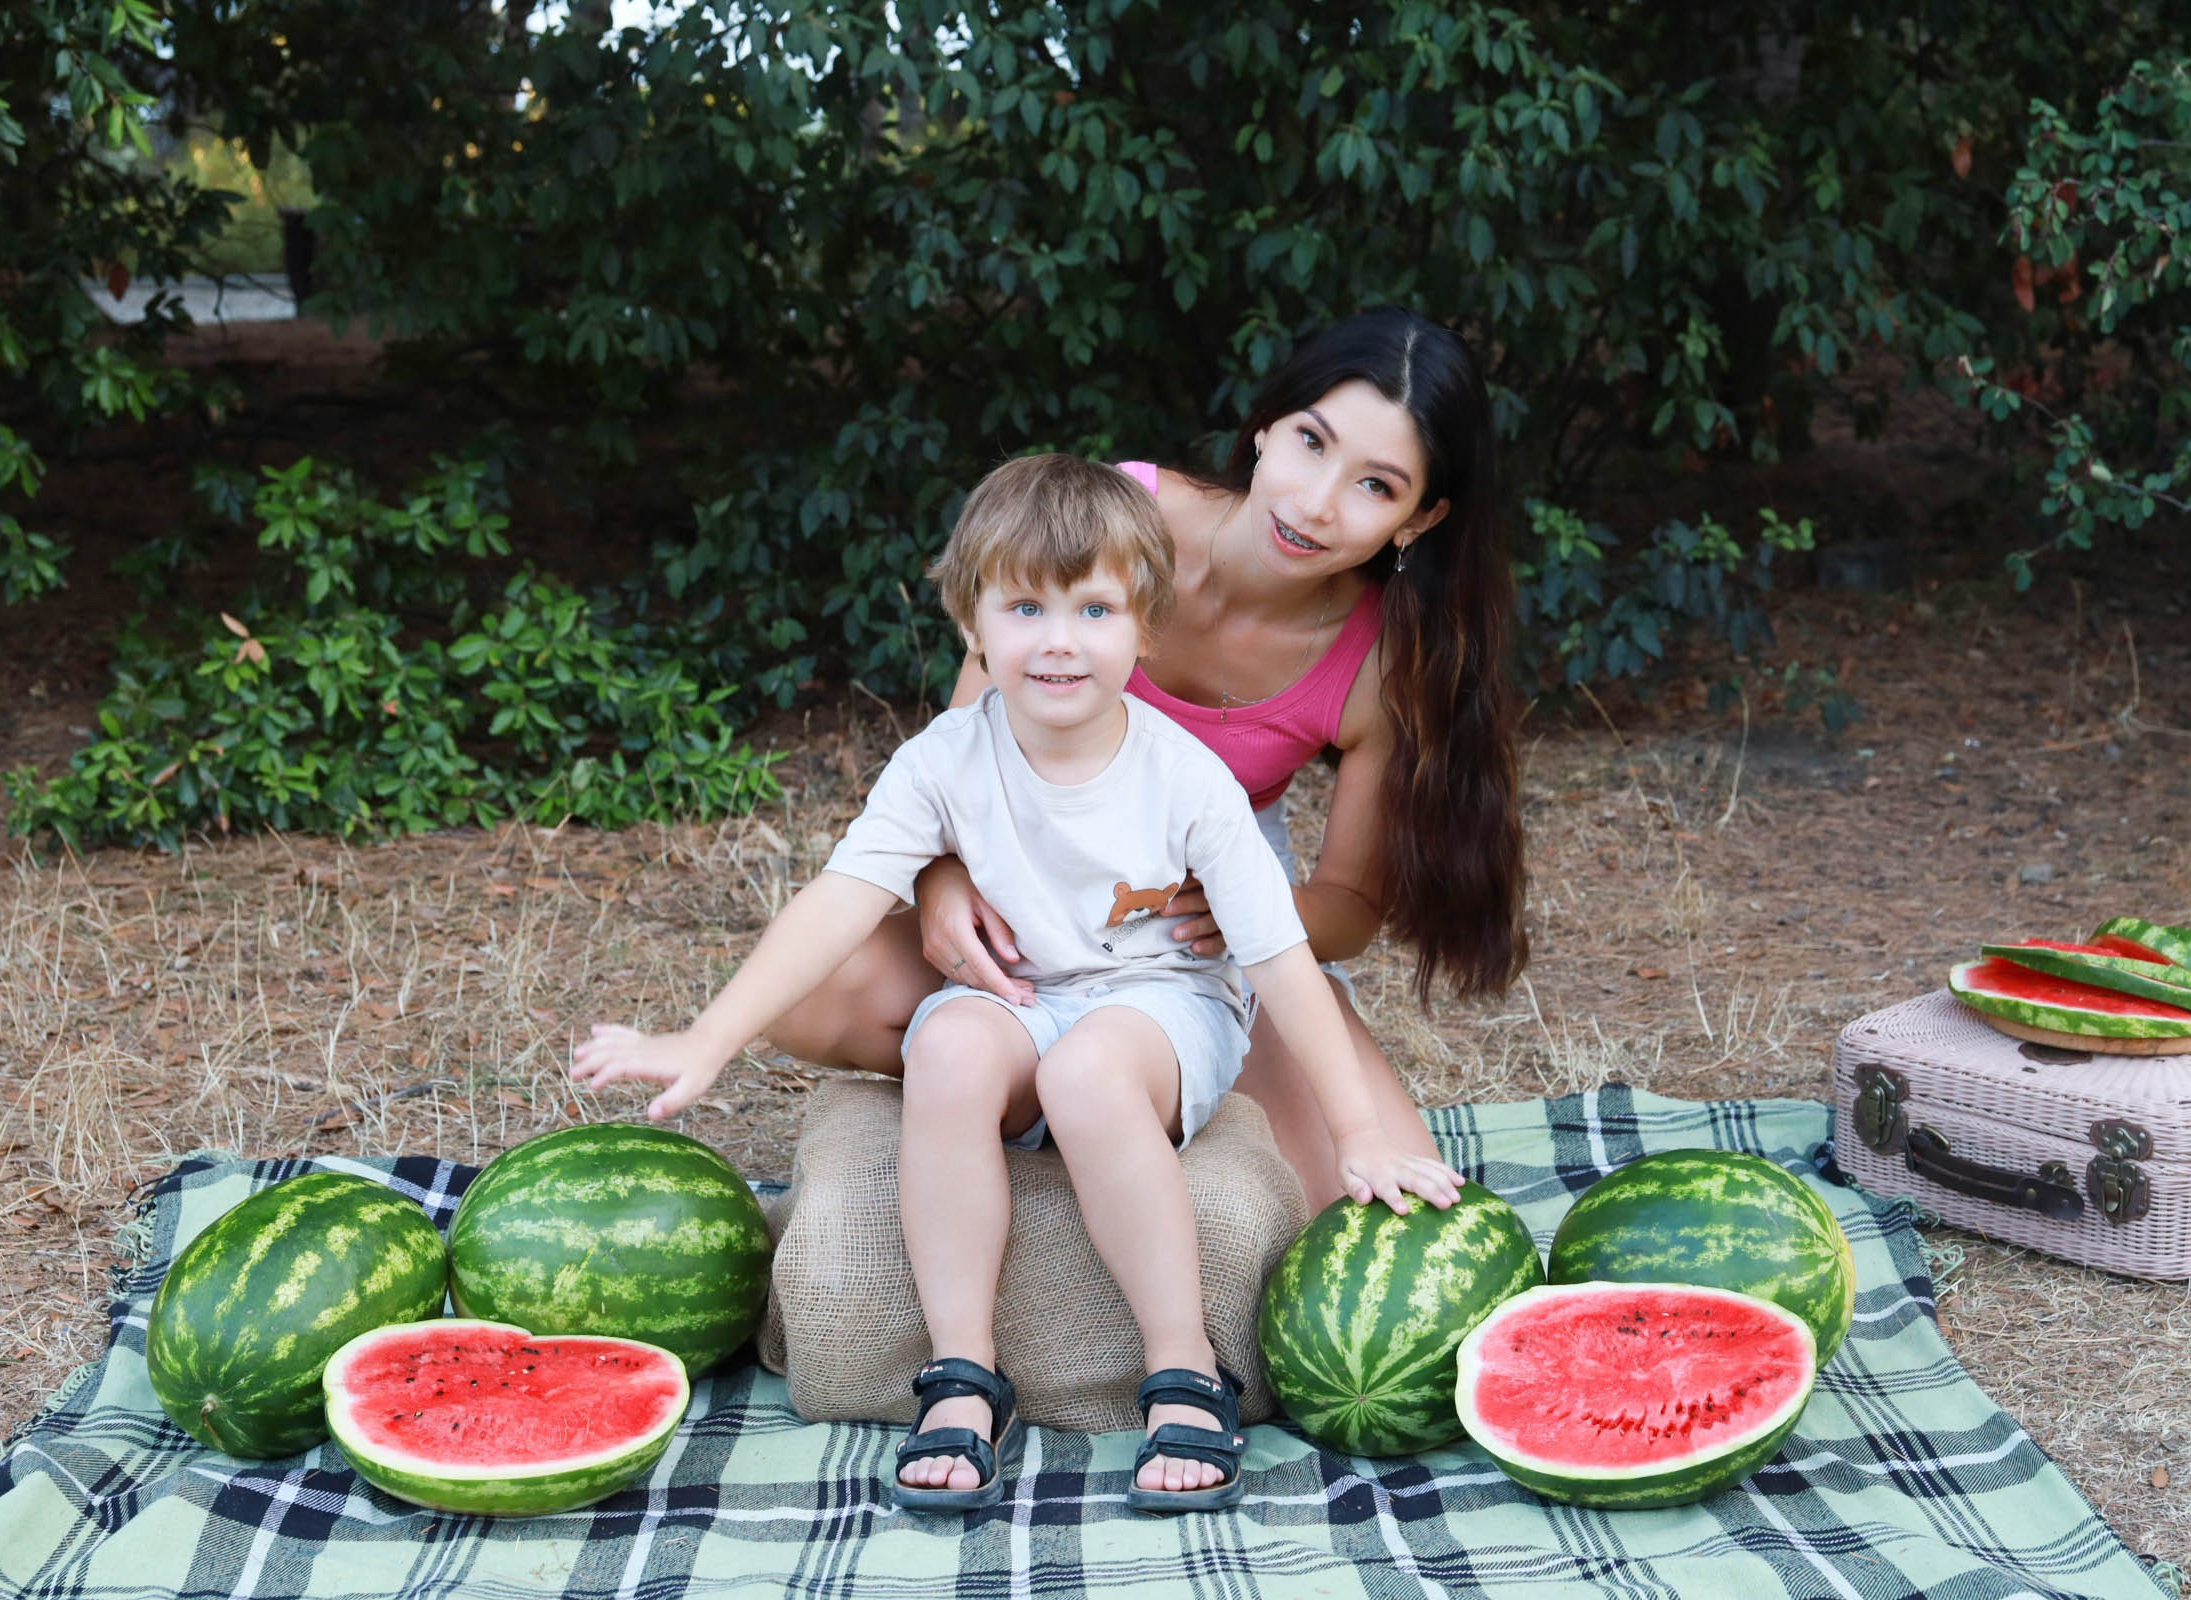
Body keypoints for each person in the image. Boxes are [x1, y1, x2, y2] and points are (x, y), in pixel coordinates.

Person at [571, 453, 1462, 1515]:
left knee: (1089, 1074)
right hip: (1017, 996)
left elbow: (1281, 963)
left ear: (1145, 629)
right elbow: (842, 897)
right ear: (972, 626)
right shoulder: (944, 758)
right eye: (1026, 605)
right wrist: (704, 1039)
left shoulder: (1188, 780)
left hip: (1163, 1007)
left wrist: (1357, 1127)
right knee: (945, 1046)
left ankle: (1184, 1368)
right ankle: (962, 1372)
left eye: (1095, 608)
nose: (1059, 639)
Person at [768, 306, 1529, 1211]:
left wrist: (1246, 914)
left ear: (1420, 518)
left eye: (1376, 485)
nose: (1318, 501)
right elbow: (965, 746)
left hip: (1195, 916)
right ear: (1263, 428)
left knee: (1381, 1200)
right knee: (804, 994)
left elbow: (1352, 909)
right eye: (1311, 442)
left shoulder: (1381, 662)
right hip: (1023, 863)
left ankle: (1128, 1076)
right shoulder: (1119, 516)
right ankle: (1050, 1082)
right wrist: (938, 877)